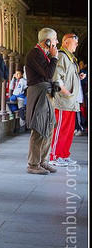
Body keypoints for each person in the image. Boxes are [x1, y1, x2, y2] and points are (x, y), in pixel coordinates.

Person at [24, 28, 59, 175]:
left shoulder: (43, 54)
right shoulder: (35, 53)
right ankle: (33, 164)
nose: (57, 42)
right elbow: (47, 73)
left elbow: (49, 76)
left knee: (48, 127)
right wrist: (54, 58)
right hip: (39, 93)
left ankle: (43, 161)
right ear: (48, 41)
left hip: (46, 93)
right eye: (55, 39)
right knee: (39, 129)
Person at [49, 33, 81, 167]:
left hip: (70, 102)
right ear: (66, 43)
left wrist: (79, 76)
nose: (77, 45)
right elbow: (56, 78)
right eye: (75, 42)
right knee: (60, 129)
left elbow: (67, 76)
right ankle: (54, 156)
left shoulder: (70, 58)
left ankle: (64, 155)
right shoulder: (62, 56)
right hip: (63, 101)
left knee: (68, 131)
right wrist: (66, 92)